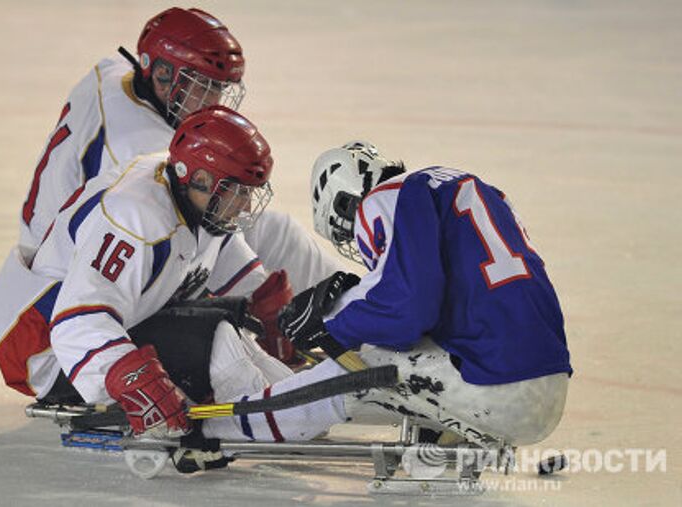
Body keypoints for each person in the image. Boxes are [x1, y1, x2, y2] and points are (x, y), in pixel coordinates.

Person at [8, 6, 343, 366]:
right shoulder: (136, 148)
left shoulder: (115, 73)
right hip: (65, 288)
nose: (213, 101)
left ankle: (358, 319)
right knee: (266, 238)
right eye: (202, 86)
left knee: (268, 232)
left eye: (218, 88)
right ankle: (363, 326)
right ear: (162, 74)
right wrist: (260, 307)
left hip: (63, 249)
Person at [200, 141, 572, 448]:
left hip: (497, 385)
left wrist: (332, 324)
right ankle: (445, 429)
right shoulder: (466, 189)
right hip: (545, 386)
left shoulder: (389, 195)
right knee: (379, 364)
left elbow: (407, 311)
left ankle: (224, 424)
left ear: (345, 202)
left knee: (361, 366)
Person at [0, 107, 299, 467]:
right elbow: (77, 323)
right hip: (43, 350)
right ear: (196, 178)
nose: (245, 204)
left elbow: (226, 259)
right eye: (236, 191)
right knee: (217, 338)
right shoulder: (133, 219)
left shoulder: (195, 198)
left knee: (239, 326)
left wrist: (267, 306)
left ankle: (298, 408)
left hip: (110, 322)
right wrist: (133, 379)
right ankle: (273, 421)